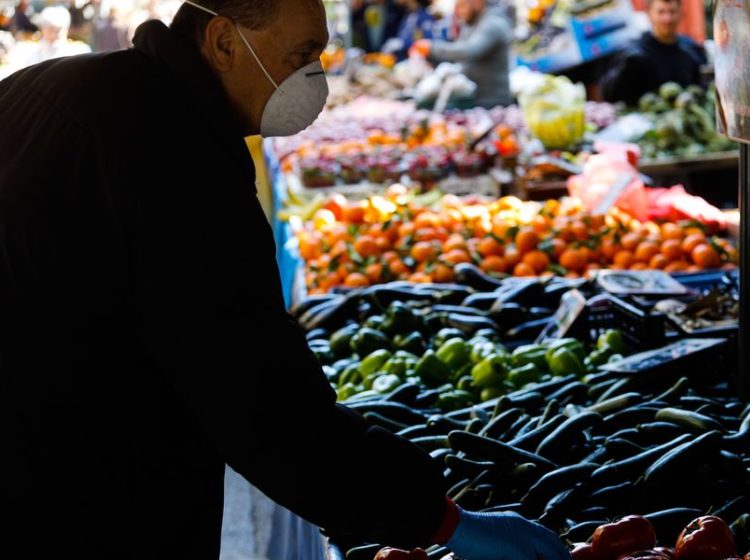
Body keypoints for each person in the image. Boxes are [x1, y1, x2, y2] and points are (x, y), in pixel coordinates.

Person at [0, 0, 571, 558]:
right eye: (301, 53)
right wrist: (443, 521)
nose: (312, 76)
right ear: (224, 42)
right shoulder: (175, 160)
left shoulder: (49, 85)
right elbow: (259, 400)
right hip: (78, 495)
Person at [600, 0, 706, 106]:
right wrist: (626, 68)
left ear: (680, 13)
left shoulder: (692, 50)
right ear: (649, 13)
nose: (667, 19)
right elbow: (610, 95)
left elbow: (704, 89)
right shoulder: (633, 53)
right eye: (661, 12)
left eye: (672, 12)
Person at [410, 0, 512, 108]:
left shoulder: (493, 24)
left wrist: (432, 48)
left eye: (463, 5)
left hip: (492, 102)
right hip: (474, 99)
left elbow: (470, 50)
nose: (458, 12)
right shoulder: (470, 25)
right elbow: (457, 55)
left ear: (478, 2)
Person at [2, 5, 91, 75]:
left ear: (67, 29)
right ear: (43, 29)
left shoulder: (79, 50)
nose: (55, 34)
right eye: (51, 29)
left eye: (59, 30)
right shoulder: (27, 51)